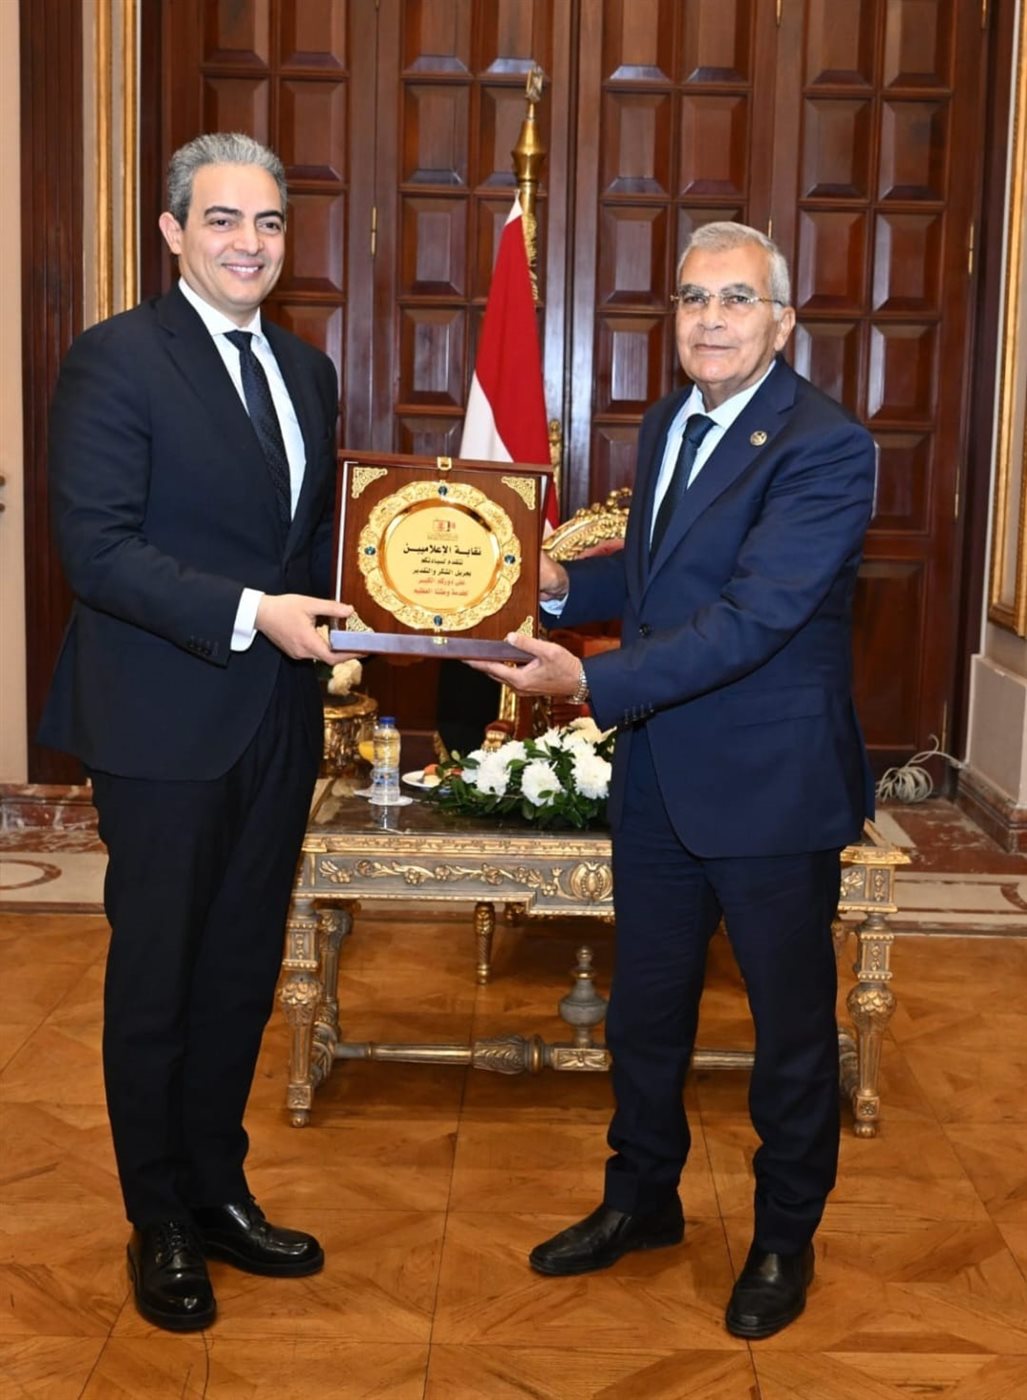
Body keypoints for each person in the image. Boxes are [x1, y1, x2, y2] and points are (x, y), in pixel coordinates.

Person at [469, 222, 876, 1339]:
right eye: (692, 298)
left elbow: (751, 617)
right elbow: (657, 580)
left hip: (770, 786)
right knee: (645, 1016)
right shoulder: (668, 422)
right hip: (658, 775)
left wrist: (588, 681)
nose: (709, 318)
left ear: (781, 323)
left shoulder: (827, 446)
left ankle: (783, 1235)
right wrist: (561, 584)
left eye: (735, 299)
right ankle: (641, 1198)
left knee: (789, 1033)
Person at [38, 132, 359, 1332]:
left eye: (268, 222)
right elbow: (99, 548)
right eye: (222, 219)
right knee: (159, 976)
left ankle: (219, 1188)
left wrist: (399, 605)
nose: (248, 243)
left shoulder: (308, 371)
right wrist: (254, 612)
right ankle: (158, 1214)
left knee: (237, 968)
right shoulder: (117, 359)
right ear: (173, 231)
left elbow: (311, 545)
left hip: (276, 717)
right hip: (162, 720)